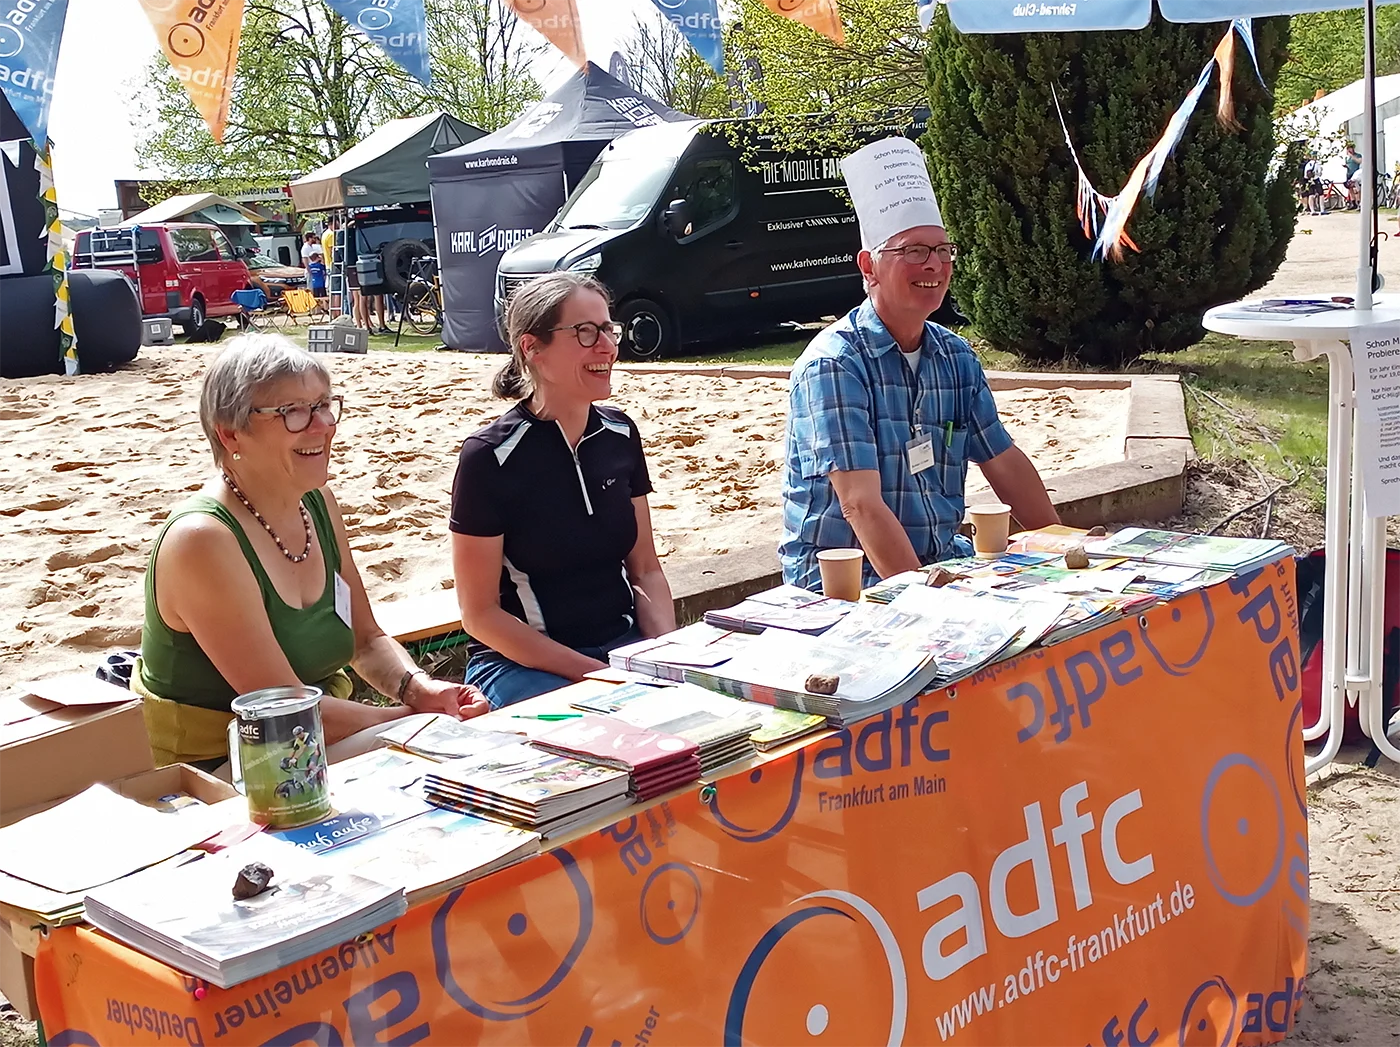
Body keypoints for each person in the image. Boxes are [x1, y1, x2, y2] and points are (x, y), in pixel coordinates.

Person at [134, 333, 488, 770]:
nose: (322, 425)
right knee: (439, 753)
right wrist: (407, 720)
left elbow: (366, 639)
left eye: (323, 405)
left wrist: (420, 690)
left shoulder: (316, 503)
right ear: (230, 435)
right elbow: (284, 710)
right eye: (293, 413)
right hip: (218, 767)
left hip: (305, 745)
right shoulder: (203, 540)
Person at [780, 137, 1060, 593]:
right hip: (848, 588)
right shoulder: (835, 365)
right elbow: (859, 505)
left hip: (944, 565)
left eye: (943, 250)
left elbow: (1003, 460)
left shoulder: (956, 357)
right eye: (914, 251)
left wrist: (1061, 545)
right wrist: (927, 603)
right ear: (869, 266)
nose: (934, 264)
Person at [450, 272, 675, 707]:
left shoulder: (620, 434)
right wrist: (601, 678)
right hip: (524, 666)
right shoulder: (489, 457)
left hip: (621, 648)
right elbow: (480, 615)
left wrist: (667, 655)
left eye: (609, 328)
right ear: (531, 348)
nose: (607, 346)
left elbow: (645, 568)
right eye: (585, 332)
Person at [1345, 144, 1362, 210]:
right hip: (1349, 173)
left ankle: (1358, 202)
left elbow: (1359, 161)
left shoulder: (1357, 155)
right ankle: (1353, 202)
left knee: (1357, 189)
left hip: (1356, 174)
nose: (1349, 150)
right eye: (1348, 149)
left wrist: (1352, 156)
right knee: (1350, 188)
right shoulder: (1347, 157)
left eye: (1350, 148)